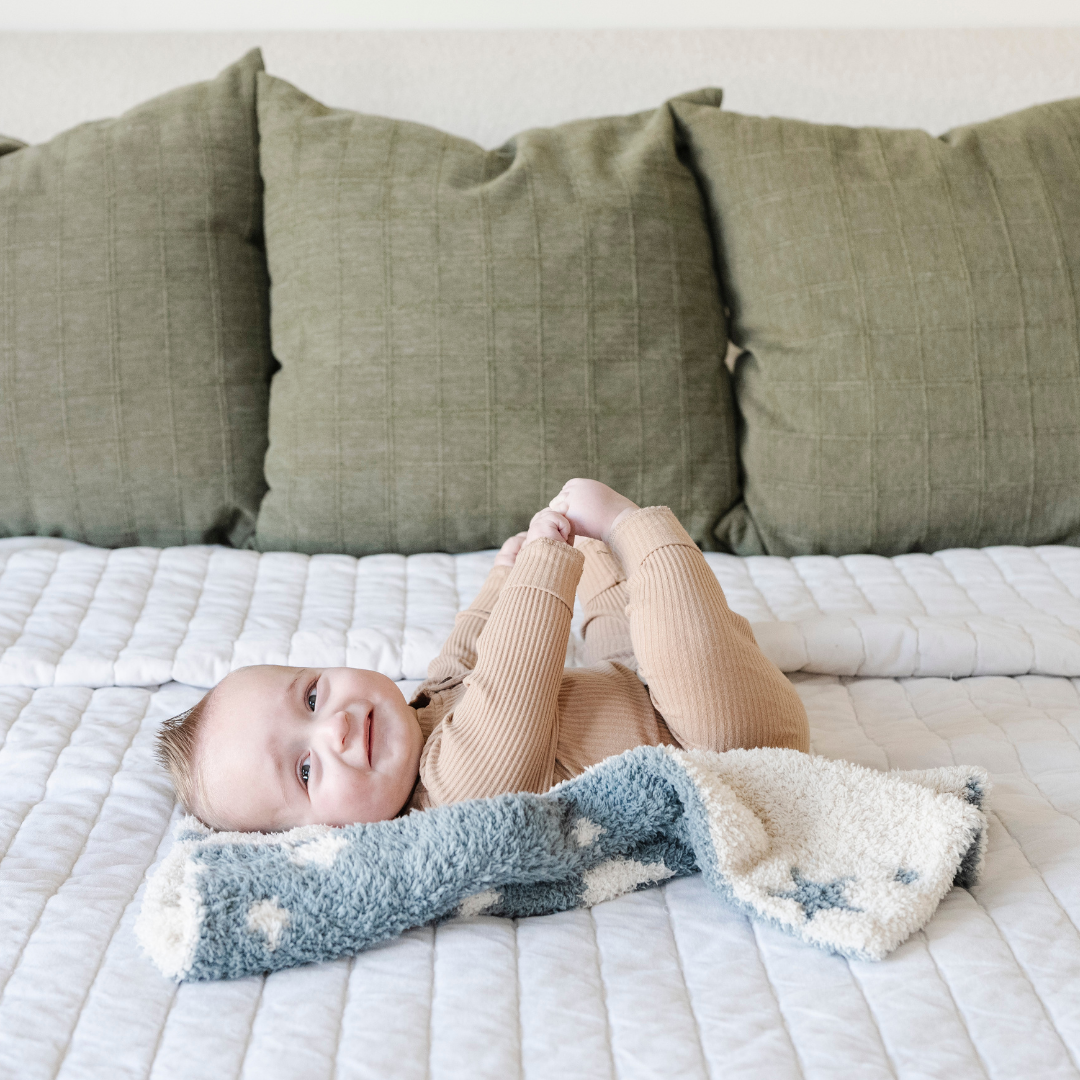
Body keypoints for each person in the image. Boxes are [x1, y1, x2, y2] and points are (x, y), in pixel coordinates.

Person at [156, 479, 809, 832]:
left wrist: (507, 572)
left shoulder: (417, 711)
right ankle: (635, 525)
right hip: (723, 746)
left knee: (613, 612)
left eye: (311, 696)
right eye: (304, 770)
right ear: (319, 835)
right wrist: (545, 566)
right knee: (673, 639)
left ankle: (616, 560)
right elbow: (512, 683)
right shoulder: (450, 798)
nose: (336, 728)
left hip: (635, 688)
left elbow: (472, 645)